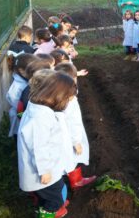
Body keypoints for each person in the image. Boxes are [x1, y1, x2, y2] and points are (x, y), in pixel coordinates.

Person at [17, 72, 77, 217]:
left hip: (49, 166)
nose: (69, 101)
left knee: (56, 191)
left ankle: (53, 204)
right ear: (58, 95)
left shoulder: (40, 107)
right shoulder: (40, 118)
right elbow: (39, 147)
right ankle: (49, 211)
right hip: (42, 171)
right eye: (68, 98)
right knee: (53, 199)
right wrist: (44, 170)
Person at [54, 63, 97, 190]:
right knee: (72, 157)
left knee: (64, 157)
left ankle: (67, 180)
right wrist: (77, 142)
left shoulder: (55, 94)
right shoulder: (70, 100)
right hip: (70, 136)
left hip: (58, 135)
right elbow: (74, 122)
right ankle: (75, 181)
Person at [6, 53, 38, 137]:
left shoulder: (25, 81)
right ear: (22, 71)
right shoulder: (17, 87)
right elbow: (19, 109)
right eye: (33, 69)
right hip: (20, 121)